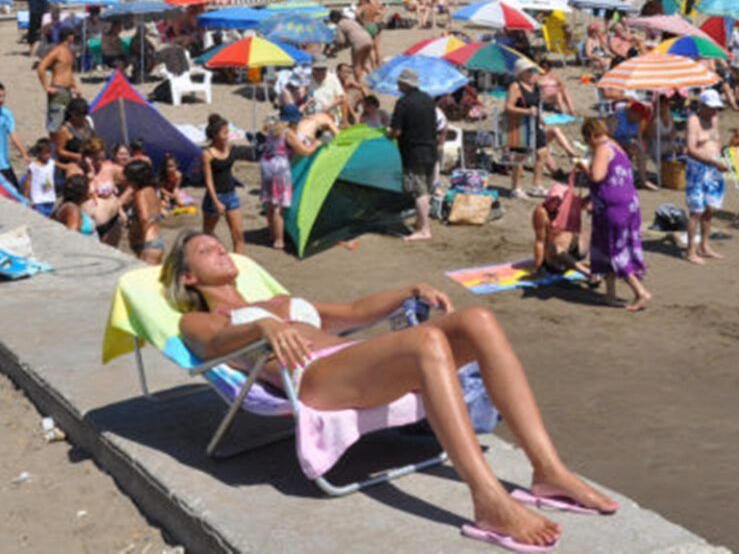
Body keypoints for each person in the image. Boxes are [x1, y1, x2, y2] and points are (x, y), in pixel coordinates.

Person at [165, 230, 617, 548]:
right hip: (315, 379)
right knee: (425, 341)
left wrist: (409, 290)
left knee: (478, 320)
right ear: (189, 278)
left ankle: (548, 470)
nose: (219, 249)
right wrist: (260, 328)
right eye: (205, 250)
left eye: (219, 244)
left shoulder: (280, 301)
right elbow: (214, 345)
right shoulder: (201, 319)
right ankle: (488, 499)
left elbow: (354, 312)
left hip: (355, 362)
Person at [581, 117, 650, 311]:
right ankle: (610, 294)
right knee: (606, 247)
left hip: (613, 207)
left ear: (591, 136)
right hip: (627, 204)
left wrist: (582, 167)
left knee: (615, 250)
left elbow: (597, 176)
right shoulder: (616, 146)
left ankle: (641, 292)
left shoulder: (602, 149)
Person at [387, 67, 439, 242]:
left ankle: (424, 230)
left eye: (399, 82)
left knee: (419, 191)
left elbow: (396, 131)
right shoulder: (429, 99)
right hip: (431, 150)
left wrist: (388, 135)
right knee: (426, 189)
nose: (397, 84)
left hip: (414, 151)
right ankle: (420, 222)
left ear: (404, 83)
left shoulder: (403, 102)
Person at [683, 88, 729, 265]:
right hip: (698, 169)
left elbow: (717, 140)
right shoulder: (693, 121)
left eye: (715, 107)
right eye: (710, 107)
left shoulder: (714, 119)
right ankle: (690, 250)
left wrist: (720, 158)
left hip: (714, 169)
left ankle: (705, 245)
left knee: (710, 209)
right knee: (696, 211)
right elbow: (691, 149)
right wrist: (712, 162)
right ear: (701, 105)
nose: (713, 111)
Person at [504, 63, 551, 199]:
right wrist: (527, 111)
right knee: (520, 157)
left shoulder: (535, 86)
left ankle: (536, 185)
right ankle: (516, 188)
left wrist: (541, 118)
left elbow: (536, 105)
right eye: (530, 71)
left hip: (534, 124)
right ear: (522, 73)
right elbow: (508, 107)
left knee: (542, 153)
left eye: (534, 71)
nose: (534, 74)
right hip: (520, 125)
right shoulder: (516, 86)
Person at [200, 114, 246, 253]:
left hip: (231, 195)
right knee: (208, 233)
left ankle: (239, 264)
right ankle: (216, 254)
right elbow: (208, 180)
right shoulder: (207, 154)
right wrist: (216, 202)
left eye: (228, 132)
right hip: (214, 197)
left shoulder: (230, 148)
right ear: (215, 135)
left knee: (238, 235)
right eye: (224, 133)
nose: (227, 136)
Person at [257, 119, 293, 249]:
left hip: (267, 167)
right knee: (278, 207)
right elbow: (303, 150)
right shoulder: (287, 133)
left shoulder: (271, 131)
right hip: (280, 170)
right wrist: (315, 145)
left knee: (270, 204)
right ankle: (279, 240)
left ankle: (272, 235)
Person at [122, 155, 164, 263]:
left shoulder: (140, 194)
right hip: (156, 238)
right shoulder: (152, 190)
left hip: (147, 243)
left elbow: (145, 218)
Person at [36, 28, 80, 132]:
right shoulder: (57, 51)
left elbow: (69, 71)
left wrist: (74, 87)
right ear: (69, 37)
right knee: (56, 123)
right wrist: (46, 87)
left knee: (67, 123)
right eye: (72, 36)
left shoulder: (69, 51)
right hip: (58, 89)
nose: (74, 38)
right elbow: (41, 67)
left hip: (67, 91)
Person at [24, 138, 59, 217]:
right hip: (38, 199)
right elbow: (28, 181)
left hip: (50, 198)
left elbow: (62, 166)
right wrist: (25, 196)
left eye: (49, 152)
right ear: (39, 153)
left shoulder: (51, 163)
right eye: (45, 153)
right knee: (41, 217)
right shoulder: (33, 166)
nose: (48, 155)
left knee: (48, 217)